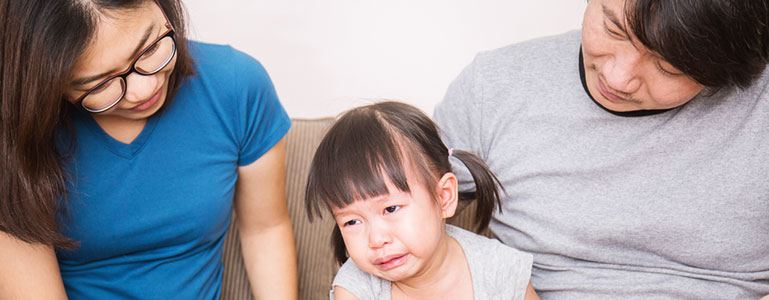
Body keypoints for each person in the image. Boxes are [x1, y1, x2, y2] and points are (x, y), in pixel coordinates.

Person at [434, 0, 769, 299]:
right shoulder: (493, 87)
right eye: (613, 29)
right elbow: (397, 212)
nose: (618, 77)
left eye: (668, 66)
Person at [0, 0, 297, 298]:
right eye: (101, 84)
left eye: (150, 48)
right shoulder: (16, 140)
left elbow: (265, 229)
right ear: (53, 87)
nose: (144, 90)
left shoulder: (236, 85)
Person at [304, 101, 540, 300]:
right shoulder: (356, 288)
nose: (376, 240)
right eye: (352, 222)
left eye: (391, 208)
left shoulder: (501, 269)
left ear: (444, 197)